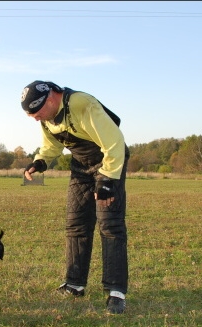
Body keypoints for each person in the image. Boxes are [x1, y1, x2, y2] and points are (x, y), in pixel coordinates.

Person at [20, 81, 130, 314]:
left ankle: (116, 292)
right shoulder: (47, 118)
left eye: (36, 113)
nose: (35, 119)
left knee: (110, 225)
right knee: (76, 224)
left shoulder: (81, 104)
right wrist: (39, 162)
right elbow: (51, 145)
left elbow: (114, 142)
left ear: (50, 99)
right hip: (81, 166)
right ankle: (75, 284)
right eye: (31, 115)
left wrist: (108, 180)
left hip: (108, 163)